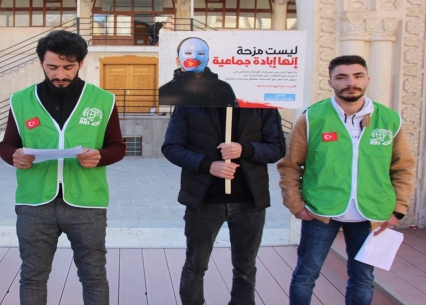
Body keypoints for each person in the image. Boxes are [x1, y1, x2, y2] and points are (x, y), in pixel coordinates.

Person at [0, 30, 126, 305]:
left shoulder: (104, 100)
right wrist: (15, 155)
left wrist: (100, 156)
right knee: (33, 276)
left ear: (81, 63)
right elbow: (7, 144)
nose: (60, 75)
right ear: (41, 63)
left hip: (87, 202)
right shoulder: (20, 100)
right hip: (34, 202)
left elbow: (118, 146)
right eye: (52, 67)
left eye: (68, 67)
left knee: (93, 275)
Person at [278, 55, 415, 305]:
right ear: (330, 82)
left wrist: (399, 209)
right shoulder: (312, 118)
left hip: (372, 213)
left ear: (367, 79)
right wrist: (295, 204)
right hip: (320, 212)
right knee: (305, 275)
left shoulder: (389, 119)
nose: (350, 82)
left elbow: (402, 167)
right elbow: (289, 166)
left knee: (362, 278)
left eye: (357, 76)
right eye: (342, 77)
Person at [161, 102, 285, 304]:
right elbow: (172, 147)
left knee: (246, 267)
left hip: (249, 200)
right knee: (195, 265)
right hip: (204, 200)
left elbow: (277, 148)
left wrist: (244, 149)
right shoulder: (189, 104)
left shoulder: (261, 105)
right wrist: (206, 165)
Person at [159, 37, 239, 107]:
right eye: (188, 53)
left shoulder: (223, 88)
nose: (194, 57)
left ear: (207, 60)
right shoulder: (165, 90)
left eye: (201, 53)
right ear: (178, 60)